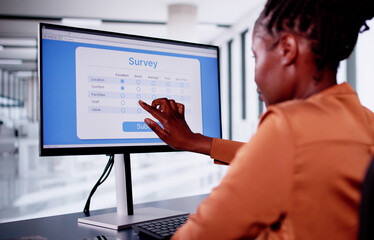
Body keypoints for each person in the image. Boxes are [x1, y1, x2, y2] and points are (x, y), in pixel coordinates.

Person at [139, 0, 374, 239]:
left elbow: (201, 234)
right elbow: (289, 159)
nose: (255, 76)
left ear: (287, 49)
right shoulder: (364, 119)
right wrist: (197, 141)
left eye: (256, 56)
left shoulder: (288, 127)